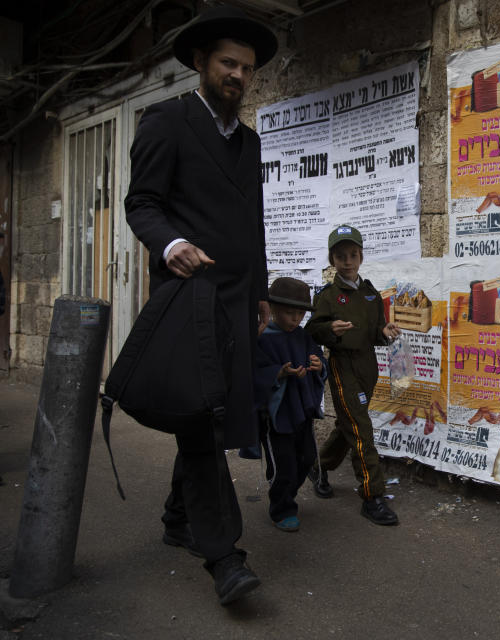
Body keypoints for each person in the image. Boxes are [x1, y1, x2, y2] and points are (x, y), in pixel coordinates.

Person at [123, 6, 277, 606]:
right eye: (227, 63)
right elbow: (141, 204)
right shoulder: (167, 122)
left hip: (240, 303)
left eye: (246, 67)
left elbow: (254, 225)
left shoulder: (250, 142)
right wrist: (172, 244)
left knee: (207, 413)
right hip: (191, 296)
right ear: (200, 64)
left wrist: (261, 290)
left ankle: (176, 518)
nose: (237, 74)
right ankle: (224, 556)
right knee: (204, 417)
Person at [305, 225, 401, 526]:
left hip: (367, 365)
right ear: (332, 259)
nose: (347, 261)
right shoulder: (328, 295)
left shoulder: (371, 294)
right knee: (360, 427)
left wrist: (384, 333)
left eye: (353, 255)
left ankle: (318, 466)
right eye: (340, 255)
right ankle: (373, 496)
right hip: (342, 364)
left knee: (350, 422)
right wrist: (328, 331)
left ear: (361, 257)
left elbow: (375, 332)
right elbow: (312, 331)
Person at [254, 277, 327, 532]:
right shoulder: (263, 339)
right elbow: (255, 374)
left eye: (300, 314)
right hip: (277, 416)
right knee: (284, 463)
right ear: (273, 309)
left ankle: (286, 493)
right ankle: (281, 508)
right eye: (289, 313)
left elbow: (318, 358)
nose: (295, 319)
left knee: (306, 458)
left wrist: (319, 365)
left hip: (301, 411)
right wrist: (279, 373)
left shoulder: (303, 336)